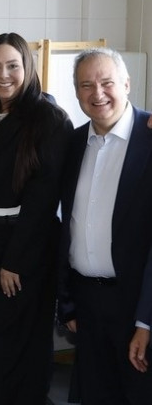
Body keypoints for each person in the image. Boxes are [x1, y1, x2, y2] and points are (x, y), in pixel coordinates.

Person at [0, 33, 71, 405]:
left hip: (19, 248)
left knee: (10, 355)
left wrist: (14, 260)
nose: (3, 75)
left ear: (28, 68)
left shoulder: (47, 118)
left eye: (12, 66)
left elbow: (42, 198)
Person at [56, 48, 152, 403]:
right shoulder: (72, 143)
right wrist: (67, 302)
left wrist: (146, 321)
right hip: (87, 305)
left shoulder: (150, 136)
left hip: (138, 306)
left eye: (107, 82)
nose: (97, 93)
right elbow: (66, 224)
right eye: (86, 85)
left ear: (127, 84)